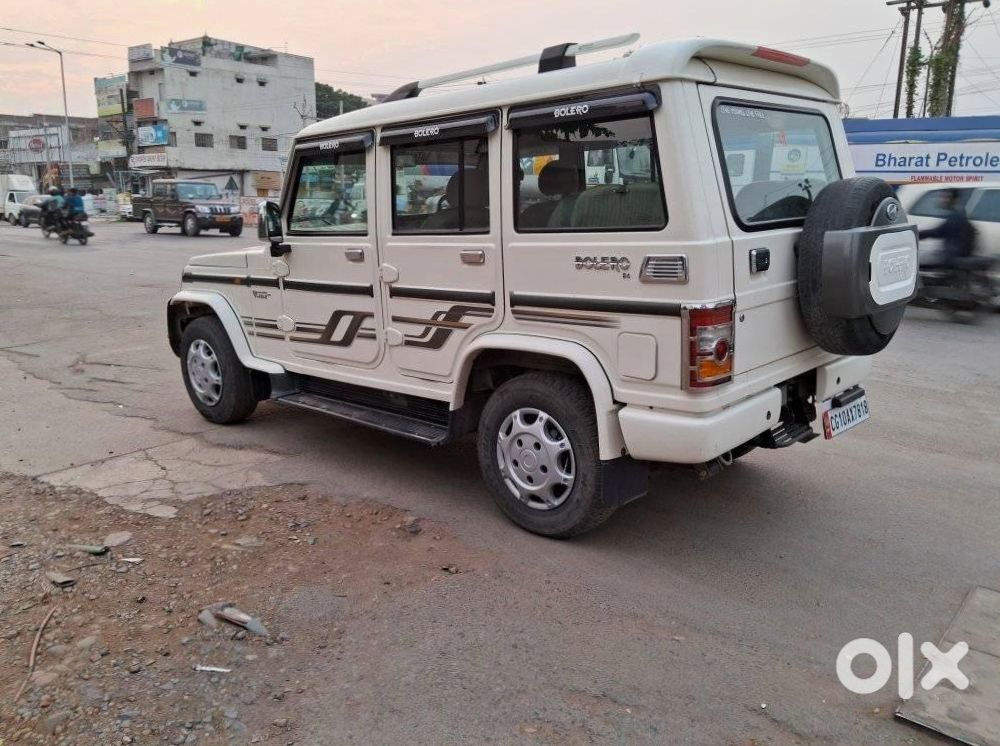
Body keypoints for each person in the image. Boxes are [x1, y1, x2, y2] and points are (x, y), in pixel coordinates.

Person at [917, 189, 976, 265]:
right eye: (942, 197)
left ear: (954, 200)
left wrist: (916, 234)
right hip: (956, 252)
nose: (943, 200)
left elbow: (938, 232)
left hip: (951, 255)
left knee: (917, 261)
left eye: (946, 197)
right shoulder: (959, 214)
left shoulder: (956, 217)